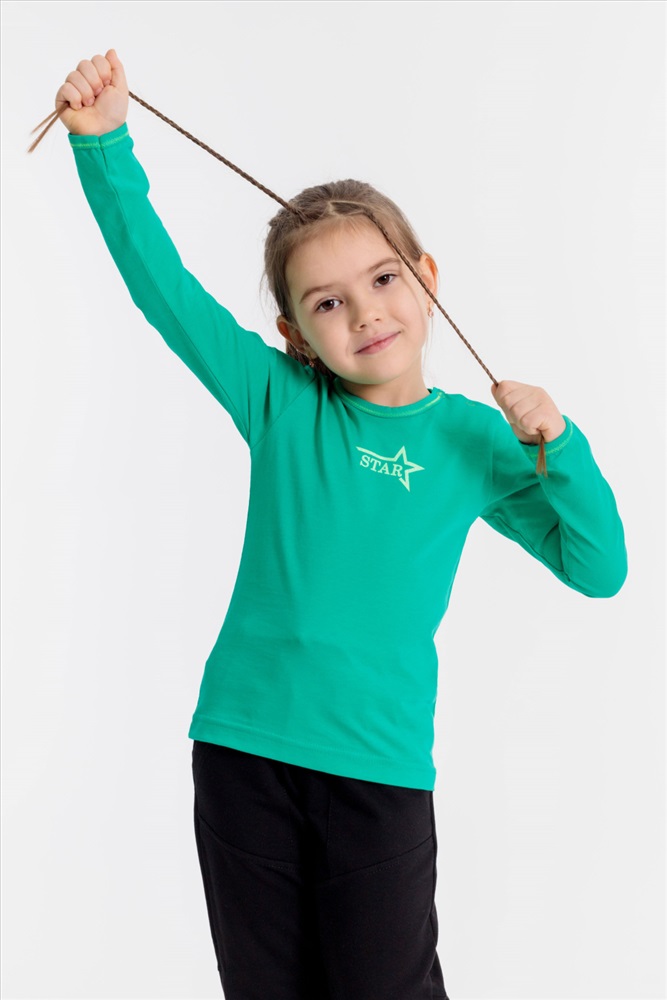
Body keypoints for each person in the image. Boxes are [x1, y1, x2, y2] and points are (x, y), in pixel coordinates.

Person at [54, 49, 627, 1000]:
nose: (364, 314)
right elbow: (164, 289)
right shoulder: (280, 401)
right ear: (295, 334)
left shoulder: (475, 440)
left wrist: (561, 448)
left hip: (378, 772)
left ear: (426, 278)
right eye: (327, 302)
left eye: (383, 280)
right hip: (243, 753)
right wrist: (103, 143)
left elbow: (598, 568)